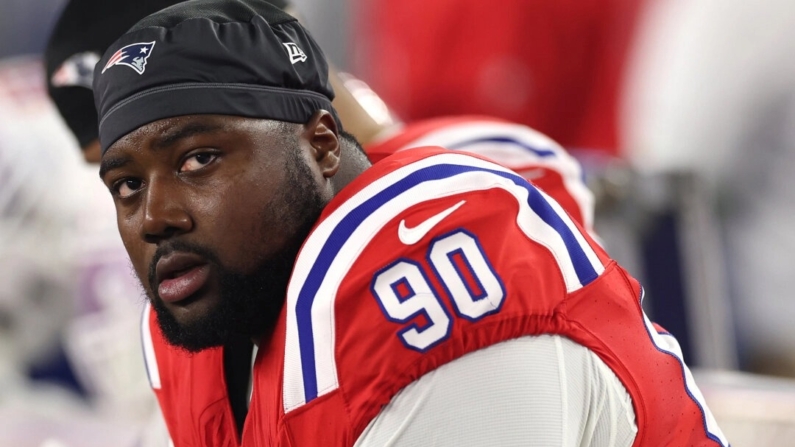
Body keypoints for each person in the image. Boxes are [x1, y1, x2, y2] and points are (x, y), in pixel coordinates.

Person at [93, 0, 727, 445]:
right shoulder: (203, 314)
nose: (156, 217)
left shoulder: (426, 272)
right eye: (126, 184)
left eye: (200, 160)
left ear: (320, 144)